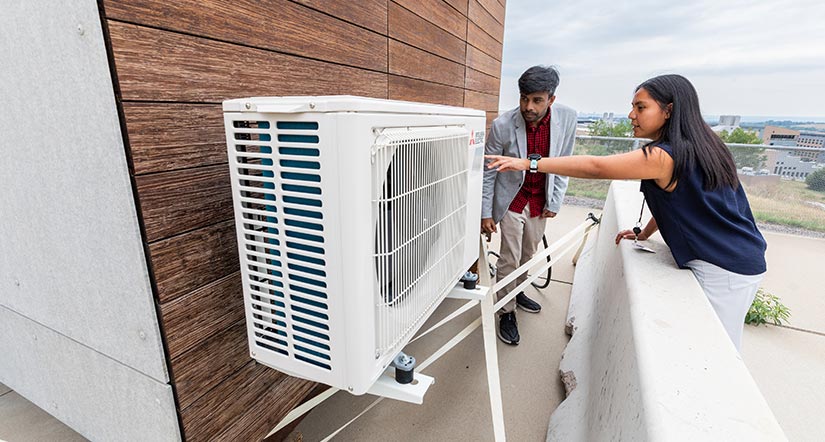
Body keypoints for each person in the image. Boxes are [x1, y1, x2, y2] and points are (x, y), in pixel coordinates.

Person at [486, 74, 766, 352]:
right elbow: (683, 202)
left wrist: (529, 164)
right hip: (737, 256)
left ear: (668, 111)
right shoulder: (704, 145)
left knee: (718, 350)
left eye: (641, 107)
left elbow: (597, 167)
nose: (631, 115)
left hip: (724, 267)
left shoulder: (663, 157)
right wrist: (644, 232)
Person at [481, 65, 578, 345]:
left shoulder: (568, 119)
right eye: (524, 98)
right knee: (509, 258)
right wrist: (486, 212)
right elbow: (489, 171)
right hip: (512, 200)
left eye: (536, 100)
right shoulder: (502, 125)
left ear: (551, 99)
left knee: (528, 255)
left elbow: (564, 163)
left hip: (540, 200)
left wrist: (555, 200)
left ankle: (518, 290)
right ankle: (505, 311)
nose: (528, 106)